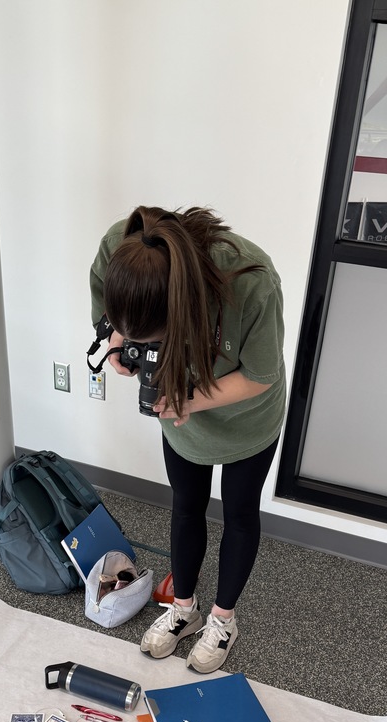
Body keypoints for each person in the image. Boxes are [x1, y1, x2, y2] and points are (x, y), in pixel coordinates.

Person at [90, 206, 286, 673]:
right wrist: (119, 339)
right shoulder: (125, 247)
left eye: (153, 335)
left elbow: (260, 375)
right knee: (185, 504)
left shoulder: (251, 283)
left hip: (246, 415)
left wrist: (191, 401)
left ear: (182, 309)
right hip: (180, 406)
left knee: (239, 513)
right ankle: (184, 609)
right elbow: (107, 305)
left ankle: (223, 620)